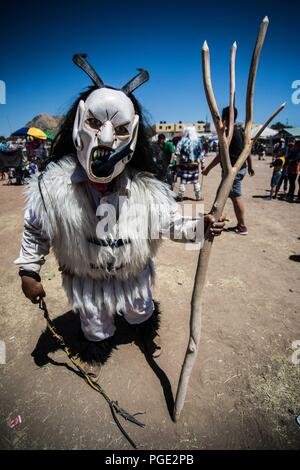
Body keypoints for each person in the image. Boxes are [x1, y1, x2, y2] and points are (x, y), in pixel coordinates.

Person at [15, 54, 225, 381]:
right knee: (94, 324)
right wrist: (29, 269)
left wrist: (200, 225)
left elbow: (171, 222)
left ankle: (142, 331)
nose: (106, 139)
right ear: (79, 122)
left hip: (134, 273)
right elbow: (36, 229)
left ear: (134, 133)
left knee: (140, 311)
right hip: (86, 277)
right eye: (95, 123)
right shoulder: (52, 188)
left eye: (119, 129)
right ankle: (96, 349)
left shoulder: (147, 189)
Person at [202, 106, 254, 235]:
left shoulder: (227, 134)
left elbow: (221, 155)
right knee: (223, 193)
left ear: (224, 118)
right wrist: (250, 166)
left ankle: (242, 226)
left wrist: (208, 169)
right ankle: (217, 216)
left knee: (235, 197)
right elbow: (247, 151)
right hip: (238, 169)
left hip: (233, 171)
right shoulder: (240, 131)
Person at [174, 127, 205, 201]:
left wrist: (177, 164)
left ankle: (180, 196)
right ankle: (198, 196)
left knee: (183, 181)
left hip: (184, 165)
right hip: (195, 165)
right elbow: (202, 154)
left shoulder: (181, 142)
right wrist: (203, 164)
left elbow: (177, 154)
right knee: (196, 181)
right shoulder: (198, 142)